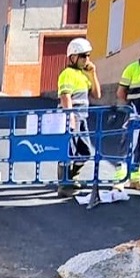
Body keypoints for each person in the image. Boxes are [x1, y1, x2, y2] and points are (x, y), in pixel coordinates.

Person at [57, 37, 101, 198]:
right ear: (73, 57)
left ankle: (71, 177)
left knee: (85, 151)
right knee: (67, 151)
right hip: (71, 117)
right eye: (83, 56)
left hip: (82, 118)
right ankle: (64, 185)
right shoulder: (67, 74)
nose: (86, 59)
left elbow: (97, 94)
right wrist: (70, 118)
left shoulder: (83, 75)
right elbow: (65, 96)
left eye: (88, 56)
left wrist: (93, 73)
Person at [116, 39, 140, 190]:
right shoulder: (132, 68)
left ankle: (136, 178)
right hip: (135, 114)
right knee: (128, 143)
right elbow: (121, 92)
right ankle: (121, 179)